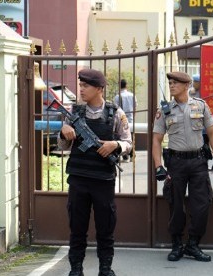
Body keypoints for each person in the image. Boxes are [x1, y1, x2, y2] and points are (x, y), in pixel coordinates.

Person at [58, 69, 132, 276]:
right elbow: (63, 146)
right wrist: (64, 133)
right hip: (79, 179)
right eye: (80, 85)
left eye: (85, 86)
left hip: (103, 180)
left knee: (105, 227)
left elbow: (128, 142)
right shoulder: (75, 113)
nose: (81, 89)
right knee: (77, 227)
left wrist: (114, 145)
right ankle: (76, 269)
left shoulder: (116, 113)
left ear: (99, 88)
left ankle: (105, 269)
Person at [152, 71, 213, 262]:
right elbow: (157, 140)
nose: (172, 86)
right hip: (176, 163)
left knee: (201, 204)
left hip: (198, 162)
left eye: (176, 83)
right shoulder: (165, 110)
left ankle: (193, 245)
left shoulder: (200, 105)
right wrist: (159, 166)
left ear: (186, 85)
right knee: (176, 205)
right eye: (170, 83)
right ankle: (177, 245)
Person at [113, 79, 137, 162]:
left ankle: (125, 156)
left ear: (119, 86)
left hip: (121, 120)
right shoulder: (132, 95)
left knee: (121, 137)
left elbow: (115, 110)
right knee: (131, 137)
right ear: (126, 85)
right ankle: (132, 155)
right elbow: (135, 107)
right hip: (130, 119)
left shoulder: (117, 96)